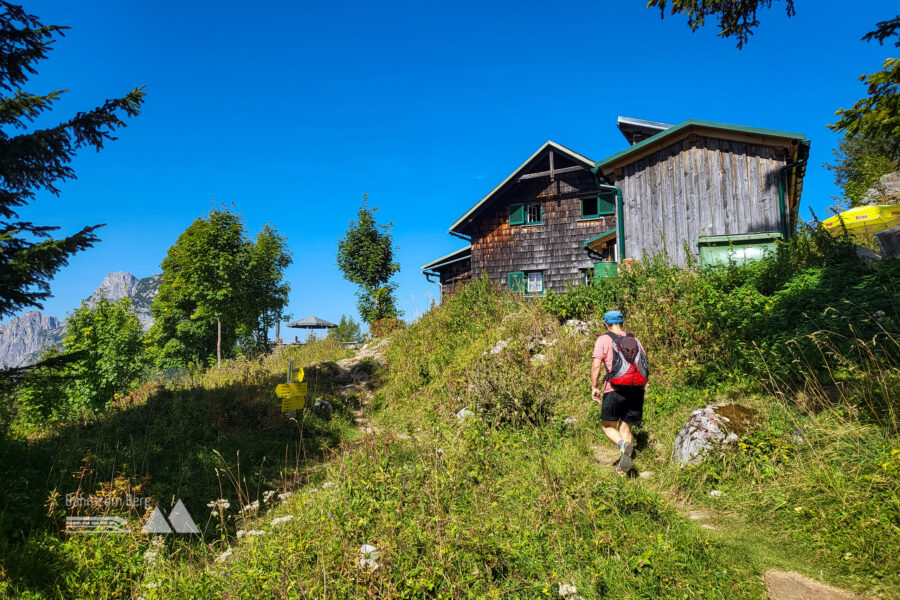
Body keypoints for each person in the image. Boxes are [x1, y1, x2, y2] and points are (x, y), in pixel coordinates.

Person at [591, 310, 649, 476]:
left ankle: (622, 445)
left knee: (608, 426)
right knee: (626, 428)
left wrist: (594, 387)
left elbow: (596, 365)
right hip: (636, 389)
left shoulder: (604, 339)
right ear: (622, 322)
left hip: (614, 388)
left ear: (605, 324)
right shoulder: (635, 339)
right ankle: (623, 471)